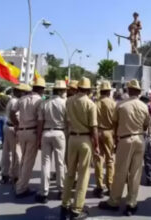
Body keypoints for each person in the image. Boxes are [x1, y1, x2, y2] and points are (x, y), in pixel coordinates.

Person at [99, 79, 151, 217]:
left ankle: (114, 201)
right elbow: (147, 124)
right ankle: (131, 203)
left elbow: (114, 123)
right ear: (139, 92)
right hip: (140, 138)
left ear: (128, 91)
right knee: (135, 173)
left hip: (125, 139)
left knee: (121, 172)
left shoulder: (120, 105)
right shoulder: (144, 106)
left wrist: (117, 138)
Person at [61, 77, 99, 220]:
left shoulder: (69, 101)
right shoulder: (90, 104)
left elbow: (67, 120)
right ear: (88, 90)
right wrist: (96, 145)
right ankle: (77, 209)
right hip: (85, 139)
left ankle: (64, 204)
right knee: (83, 175)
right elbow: (94, 127)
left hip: (72, 138)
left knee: (70, 172)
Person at [11, 78, 45, 198]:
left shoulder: (22, 99)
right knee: (28, 162)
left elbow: (12, 112)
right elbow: (40, 120)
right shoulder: (40, 101)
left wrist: (16, 123)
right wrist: (40, 136)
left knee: (24, 159)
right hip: (32, 131)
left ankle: (20, 183)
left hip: (21, 130)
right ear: (41, 89)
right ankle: (21, 188)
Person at [35, 80, 67, 204]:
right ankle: (61, 190)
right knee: (60, 163)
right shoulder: (65, 104)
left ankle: (43, 192)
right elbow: (68, 122)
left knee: (45, 163)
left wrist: (38, 138)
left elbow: (40, 122)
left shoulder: (45, 103)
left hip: (46, 132)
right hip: (60, 133)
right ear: (61, 91)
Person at [0, 84, 30, 184]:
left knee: (6, 151)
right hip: (13, 127)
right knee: (16, 153)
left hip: (8, 126)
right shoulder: (16, 101)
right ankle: (15, 175)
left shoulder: (11, 100)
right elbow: (15, 117)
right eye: (24, 92)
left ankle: (5, 173)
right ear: (20, 92)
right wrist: (18, 126)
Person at [93, 81, 116, 198]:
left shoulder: (95, 103)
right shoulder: (113, 103)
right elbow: (116, 121)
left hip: (97, 132)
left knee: (98, 159)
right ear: (108, 92)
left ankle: (99, 186)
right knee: (110, 159)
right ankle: (110, 185)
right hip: (109, 132)